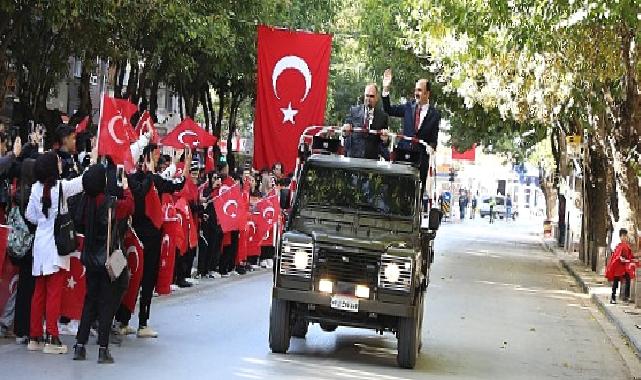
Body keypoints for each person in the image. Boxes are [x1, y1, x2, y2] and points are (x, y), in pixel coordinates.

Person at [114, 144, 188, 338]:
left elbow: (176, 184)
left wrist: (183, 164)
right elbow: (140, 192)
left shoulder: (147, 179)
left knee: (138, 279)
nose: (157, 159)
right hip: (138, 236)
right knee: (139, 279)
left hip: (141, 237)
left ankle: (129, 321)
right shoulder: (138, 179)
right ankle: (134, 322)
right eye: (154, 155)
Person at [25, 151, 87, 354]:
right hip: (56, 246)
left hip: (40, 244)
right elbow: (82, 183)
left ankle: (35, 336)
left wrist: (43, 221)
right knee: (54, 293)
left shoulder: (34, 189)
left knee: (39, 292)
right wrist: (94, 161)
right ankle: (52, 337)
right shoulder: (61, 187)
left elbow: (30, 216)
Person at [72, 164, 133, 363]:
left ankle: (79, 346)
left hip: (90, 258)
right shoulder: (110, 203)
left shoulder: (84, 202)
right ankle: (103, 349)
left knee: (90, 301)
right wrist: (125, 186)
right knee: (107, 303)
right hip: (108, 258)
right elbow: (130, 205)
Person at [382, 68, 440, 197]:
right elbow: (389, 110)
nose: (416, 93)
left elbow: (433, 140)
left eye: (419, 90)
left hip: (420, 162)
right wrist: (386, 89)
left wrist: (431, 148)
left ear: (427, 93)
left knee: (415, 196)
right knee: (398, 192)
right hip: (403, 157)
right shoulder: (409, 107)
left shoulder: (434, 115)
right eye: (415, 90)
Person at [342, 84, 390, 159]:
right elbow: (344, 134)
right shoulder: (353, 111)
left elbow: (384, 144)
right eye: (367, 96)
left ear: (377, 98)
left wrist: (385, 140)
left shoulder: (383, 117)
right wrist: (345, 131)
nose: (368, 99)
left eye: (371, 96)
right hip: (353, 158)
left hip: (371, 161)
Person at [606, 229, 636, 304]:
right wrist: (620, 258)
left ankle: (625, 297)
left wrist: (633, 259)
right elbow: (616, 256)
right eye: (623, 236)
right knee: (615, 283)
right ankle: (613, 298)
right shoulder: (618, 246)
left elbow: (630, 256)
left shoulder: (627, 246)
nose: (624, 237)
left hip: (624, 268)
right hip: (618, 268)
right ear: (620, 237)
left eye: (625, 236)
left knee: (628, 280)